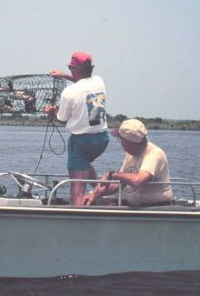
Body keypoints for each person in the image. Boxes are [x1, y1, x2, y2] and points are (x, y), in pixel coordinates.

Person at [45, 51, 109, 206]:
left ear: (75, 68)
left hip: (82, 142)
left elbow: (61, 119)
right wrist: (64, 75)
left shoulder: (69, 92)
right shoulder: (99, 81)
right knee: (85, 164)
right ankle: (101, 192)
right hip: (102, 140)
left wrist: (52, 112)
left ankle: (78, 221)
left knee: (77, 189)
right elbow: (82, 82)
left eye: (70, 67)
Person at [83, 119, 174, 207]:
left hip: (154, 209)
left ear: (127, 142)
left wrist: (111, 174)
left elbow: (138, 181)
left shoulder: (154, 154)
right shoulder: (130, 154)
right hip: (132, 206)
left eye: (121, 140)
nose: (121, 144)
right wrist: (94, 194)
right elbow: (118, 184)